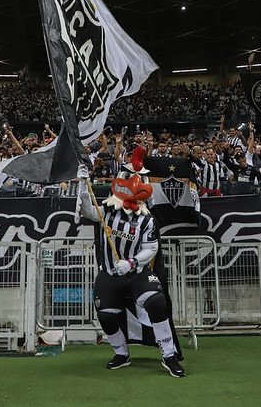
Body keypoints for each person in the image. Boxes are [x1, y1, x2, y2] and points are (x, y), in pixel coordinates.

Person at [75, 147, 185, 378]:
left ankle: (168, 354)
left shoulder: (147, 218)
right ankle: (121, 353)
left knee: (157, 302)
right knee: (105, 314)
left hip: (137, 272)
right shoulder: (107, 207)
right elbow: (87, 212)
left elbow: (151, 248)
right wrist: (82, 185)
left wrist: (133, 262)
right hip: (110, 271)